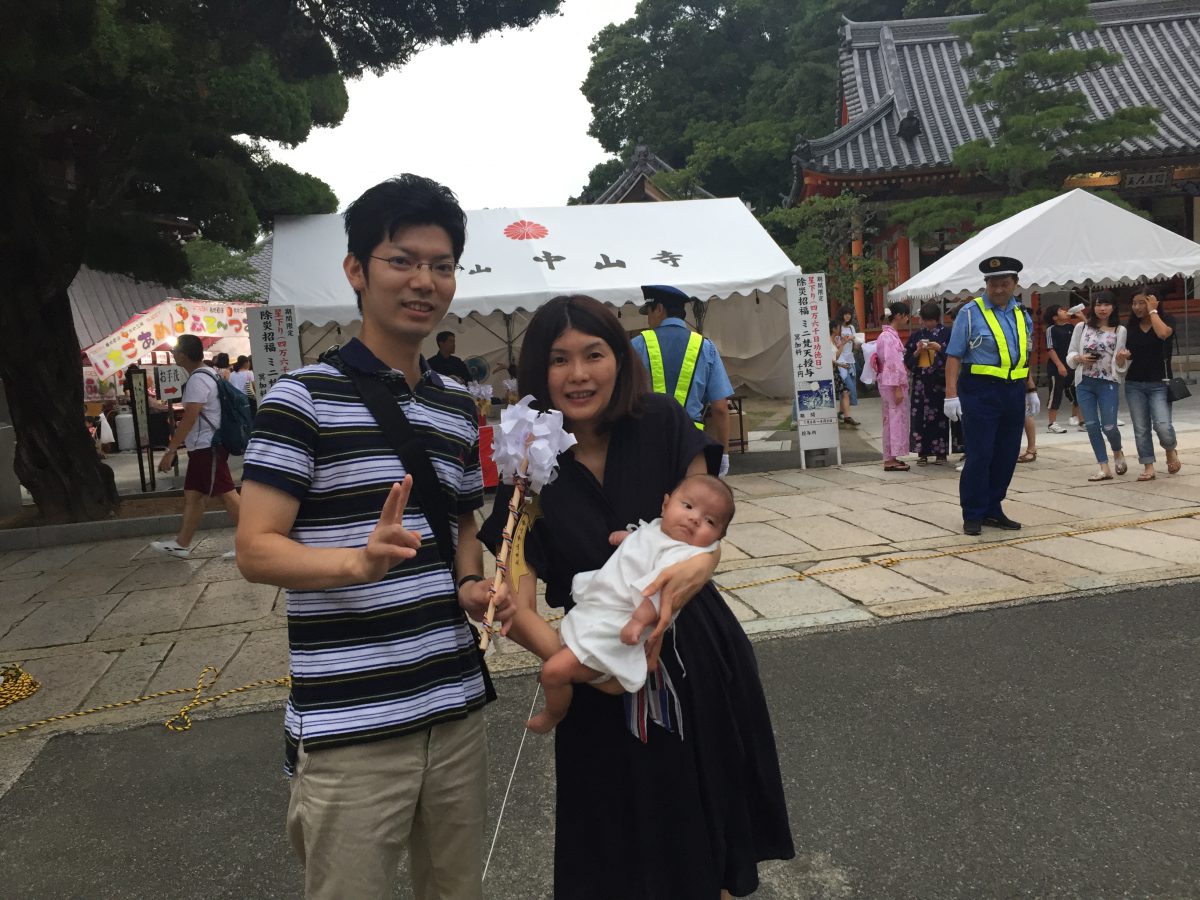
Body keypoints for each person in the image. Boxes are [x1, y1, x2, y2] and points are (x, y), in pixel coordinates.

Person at [235, 175, 512, 900]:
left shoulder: (456, 404)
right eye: (402, 260)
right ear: (357, 270)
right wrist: (355, 563)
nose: (424, 281)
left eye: (441, 264)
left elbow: (461, 525)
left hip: (453, 709)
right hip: (352, 723)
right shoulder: (300, 399)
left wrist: (471, 584)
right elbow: (255, 548)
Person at [481, 295, 793, 899]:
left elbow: (705, 535)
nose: (578, 374)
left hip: (690, 648)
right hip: (594, 659)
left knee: (701, 823)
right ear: (535, 372)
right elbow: (511, 594)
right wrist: (582, 668)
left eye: (594, 354)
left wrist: (697, 570)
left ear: (619, 360)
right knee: (614, 841)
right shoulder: (529, 460)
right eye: (559, 359)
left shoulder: (663, 421)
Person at [524, 473, 734, 734]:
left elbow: (658, 591)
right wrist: (629, 538)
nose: (694, 518)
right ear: (666, 504)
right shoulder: (659, 529)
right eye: (688, 506)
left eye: (709, 521)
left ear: (718, 536)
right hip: (601, 609)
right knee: (565, 639)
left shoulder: (683, 555)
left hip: (620, 624)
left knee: (553, 672)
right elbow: (645, 541)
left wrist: (638, 621)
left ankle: (553, 713)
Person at [943, 256, 1040, 535]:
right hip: (979, 391)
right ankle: (973, 512)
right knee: (980, 453)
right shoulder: (970, 313)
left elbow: (1023, 355)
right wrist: (951, 394)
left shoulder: (1022, 314)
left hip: (1013, 391)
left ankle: (993, 508)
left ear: (1015, 285)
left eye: (1005, 284)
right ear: (985, 284)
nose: (999, 289)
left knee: (1007, 454)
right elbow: (954, 355)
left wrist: (1030, 388)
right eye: (993, 284)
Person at [151, 334, 241, 559]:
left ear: (182, 354)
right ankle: (181, 543)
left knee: (227, 495)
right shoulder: (209, 373)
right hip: (207, 445)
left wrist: (171, 450)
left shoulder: (197, 380)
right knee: (194, 495)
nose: (173, 355)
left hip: (206, 445)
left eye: (174, 352)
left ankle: (253, 542)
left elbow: (190, 417)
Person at [632, 284, 735, 477]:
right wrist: (724, 455)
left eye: (649, 312)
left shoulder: (637, 345)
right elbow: (720, 407)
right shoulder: (705, 346)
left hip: (647, 442)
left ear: (660, 309)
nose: (648, 319)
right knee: (688, 502)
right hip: (692, 445)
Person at [1066, 291, 1130, 481]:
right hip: (1084, 381)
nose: (1102, 309)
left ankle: (1117, 451)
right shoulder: (1082, 327)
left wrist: (1120, 359)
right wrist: (1079, 358)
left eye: (1107, 305)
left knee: (1109, 426)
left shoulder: (1120, 330)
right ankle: (1103, 466)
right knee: (1092, 425)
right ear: (1093, 307)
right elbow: (1070, 353)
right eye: (1099, 304)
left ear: (1113, 307)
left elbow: (1120, 365)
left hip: (1108, 382)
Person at [1124, 287, 1182, 480]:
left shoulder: (1167, 320)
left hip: (1160, 383)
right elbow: (1128, 353)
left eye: (1142, 302)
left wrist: (1153, 312)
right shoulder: (1129, 327)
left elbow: (1163, 334)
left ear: (1154, 302)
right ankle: (1148, 464)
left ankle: (1170, 448)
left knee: (1163, 426)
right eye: (1134, 303)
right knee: (1141, 428)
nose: (1137, 307)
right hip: (1134, 383)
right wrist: (1122, 356)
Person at [904, 301, 950, 465]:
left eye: (930, 320)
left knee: (940, 417)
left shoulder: (946, 333)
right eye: (925, 320)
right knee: (920, 417)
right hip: (920, 384)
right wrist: (917, 351)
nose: (927, 324)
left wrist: (940, 349)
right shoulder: (917, 335)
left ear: (937, 319)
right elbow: (907, 360)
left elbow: (954, 357)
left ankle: (941, 453)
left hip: (939, 382)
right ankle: (922, 452)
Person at [876, 300, 911, 471]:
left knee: (893, 419)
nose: (907, 319)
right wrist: (897, 387)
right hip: (892, 384)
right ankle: (890, 458)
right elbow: (892, 363)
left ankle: (892, 456)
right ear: (898, 316)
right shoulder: (888, 337)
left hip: (892, 382)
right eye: (906, 316)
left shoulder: (889, 335)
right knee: (893, 419)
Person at [1043, 303, 1084, 433]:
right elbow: (1050, 349)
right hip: (1057, 368)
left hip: (1072, 365)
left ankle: (1082, 421)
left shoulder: (1071, 327)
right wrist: (1060, 365)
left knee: (1077, 392)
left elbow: (1088, 329)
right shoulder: (1051, 329)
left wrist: (1081, 317)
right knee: (1056, 393)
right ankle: (1052, 423)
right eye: (1060, 310)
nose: (1065, 311)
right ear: (1055, 317)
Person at [832, 304, 861, 426]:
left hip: (850, 360)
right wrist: (844, 341)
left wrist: (858, 342)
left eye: (849, 313)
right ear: (841, 314)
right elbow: (834, 346)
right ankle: (847, 416)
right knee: (848, 388)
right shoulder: (837, 328)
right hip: (840, 361)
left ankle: (841, 412)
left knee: (848, 387)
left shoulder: (852, 328)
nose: (848, 316)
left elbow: (855, 346)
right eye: (846, 313)